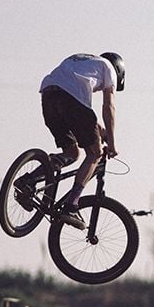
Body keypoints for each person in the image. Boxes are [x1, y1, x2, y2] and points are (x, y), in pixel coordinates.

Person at [38, 52, 125, 228]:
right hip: (72, 101)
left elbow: (85, 119)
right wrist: (112, 144)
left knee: (71, 153)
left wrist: (103, 133)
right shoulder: (108, 68)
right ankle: (71, 206)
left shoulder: (83, 62)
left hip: (48, 95)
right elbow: (108, 107)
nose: (98, 90)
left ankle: (29, 181)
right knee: (95, 154)